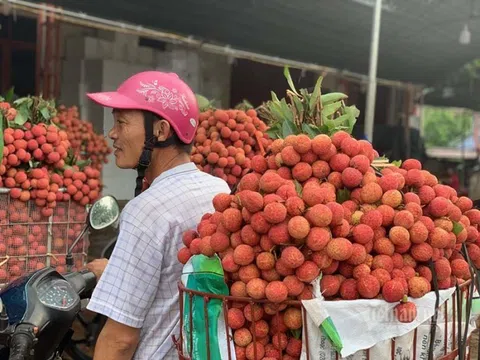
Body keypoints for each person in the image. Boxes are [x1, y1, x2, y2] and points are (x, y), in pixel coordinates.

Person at [84, 71, 230, 360]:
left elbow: (120, 341)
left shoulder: (145, 211)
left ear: (161, 132)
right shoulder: (218, 189)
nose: (112, 133)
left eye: (122, 123)